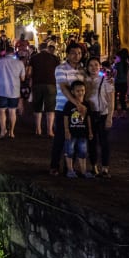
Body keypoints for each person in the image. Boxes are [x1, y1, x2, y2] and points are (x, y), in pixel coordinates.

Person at [49, 44, 85, 177]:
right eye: (74, 53)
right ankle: (54, 166)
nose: (77, 56)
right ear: (68, 54)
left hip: (77, 109)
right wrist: (76, 102)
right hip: (62, 107)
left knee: (75, 137)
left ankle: (69, 167)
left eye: (79, 53)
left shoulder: (82, 70)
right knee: (60, 137)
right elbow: (64, 87)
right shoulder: (60, 68)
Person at [84, 56, 114, 179]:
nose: (94, 67)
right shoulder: (84, 80)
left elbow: (111, 100)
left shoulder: (106, 80)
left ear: (100, 66)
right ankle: (94, 167)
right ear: (87, 67)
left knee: (104, 142)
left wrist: (110, 117)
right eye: (91, 65)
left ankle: (105, 168)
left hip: (103, 114)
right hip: (90, 115)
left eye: (96, 65)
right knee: (91, 142)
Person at [0, 46, 26, 139]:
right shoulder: (19, 63)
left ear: (5, 52)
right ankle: (12, 132)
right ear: (13, 53)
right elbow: (22, 78)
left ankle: (3, 131)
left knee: (1, 111)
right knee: (12, 111)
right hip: (14, 91)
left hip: (1, 90)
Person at [62, 80, 93, 179]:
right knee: (69, 151)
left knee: (83, 152)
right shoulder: (69, 104)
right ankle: (70, 170)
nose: (80, 93)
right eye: (78, 91)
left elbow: (88, 118)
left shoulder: (87, 104)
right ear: (72, 92)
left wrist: (90, 131)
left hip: (83, 133)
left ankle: (83, 171)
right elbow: (66, 117)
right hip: (71, 132)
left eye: (82, 90)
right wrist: (66, 130)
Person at [27, 42, 60, 137]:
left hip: (37, 84)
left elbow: (29, 72)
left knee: (37, 108)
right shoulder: (55, 58)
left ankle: (38, 129)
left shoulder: (34, 58)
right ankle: (50, 131)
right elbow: (58, 72)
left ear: (39, 48)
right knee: (50, 109)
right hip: (51, 84)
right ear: (48, 48)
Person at [112, 48, 129, 117]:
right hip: (124, 83)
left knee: (114, 98)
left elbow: (114, 73)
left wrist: (114, 64)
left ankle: (115, 112)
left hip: (117, 82)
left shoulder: (117, 62)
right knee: (122, 98)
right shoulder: (127, 62)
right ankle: (124, 112)